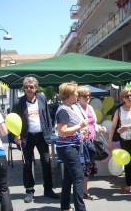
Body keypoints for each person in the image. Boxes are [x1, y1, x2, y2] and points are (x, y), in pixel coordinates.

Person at [11, 77, 59, 203]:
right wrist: (15, 135)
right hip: (26, 137)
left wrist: (49, 132)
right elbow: (13, 119)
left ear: (36, 88)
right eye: (26, 87)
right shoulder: (18, 102)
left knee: (46, 162)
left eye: (31, 87)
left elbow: (47, 116)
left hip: (41, 135)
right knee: (27, 164)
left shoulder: (42, 98)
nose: (28, 89)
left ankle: (48, 189)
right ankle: (29, 190)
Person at [55, 81, 88, 211]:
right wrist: (80, 127)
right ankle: (80, 208)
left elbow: (71, 128)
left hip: (72, 146)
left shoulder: (72, 107)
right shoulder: (63, 110)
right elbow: (62, 131)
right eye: (75, 93)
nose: (77, 95)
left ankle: (65, 207)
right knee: (79, 177)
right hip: (66, 148)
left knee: (68, 178)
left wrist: (80, 131)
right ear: (68, 95)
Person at [73, 86, 106, 200]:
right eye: (84, 96)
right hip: (81, 143)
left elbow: (93, 124)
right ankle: (80, 192)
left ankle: (84, 191)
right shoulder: (75, 108)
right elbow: (74, 125)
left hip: (90, 141)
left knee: (87, 168)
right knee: (82, 168)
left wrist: (99, 128)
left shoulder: (90, 107)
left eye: (88, 95)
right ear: (78, 97)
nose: (87, 98)